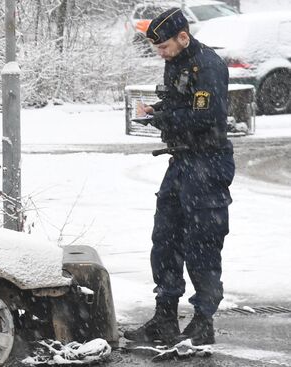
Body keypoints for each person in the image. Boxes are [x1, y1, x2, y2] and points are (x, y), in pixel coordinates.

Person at [123, 8, 235, 346]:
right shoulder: (177, 61)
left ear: (183, 37)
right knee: (166, 238)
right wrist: (159, 111)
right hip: (182, 161)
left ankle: (203, 321)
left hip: (208, 163)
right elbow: (180, 104)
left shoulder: (209, 67)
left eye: (164, 47)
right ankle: (165, 318)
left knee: (202, 243)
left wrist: (162, 120)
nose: (160, 53)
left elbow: (205, 117)